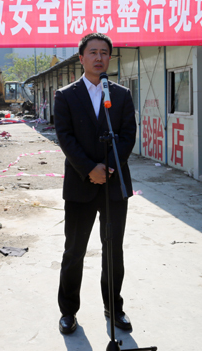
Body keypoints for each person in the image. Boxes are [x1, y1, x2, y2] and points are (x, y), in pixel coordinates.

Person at [54, 33, 136, 335]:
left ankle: (114, 307)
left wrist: (109, 168)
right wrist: (90, 169)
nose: (99, 57)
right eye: (93, 52)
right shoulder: (65, 95)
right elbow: (65, 137)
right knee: (74, 250)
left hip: (114, 186)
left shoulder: (121, 95)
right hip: (80, 185)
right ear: (81, 58)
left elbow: (128, 135)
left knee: (113, 250)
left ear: (109, 58)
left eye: (104, 52)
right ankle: (68, 312)